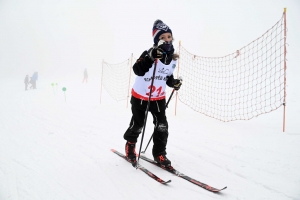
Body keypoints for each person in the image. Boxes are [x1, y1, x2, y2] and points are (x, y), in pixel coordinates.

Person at [123, 19, 182, 167]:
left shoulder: (172, 58)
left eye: (169, 37)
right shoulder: (149, 53)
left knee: (162, 126)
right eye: (162, 38)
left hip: (158, 98)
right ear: (157, 40)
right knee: (138, 125)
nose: (166, 40)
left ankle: (160, 154)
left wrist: (173, 83)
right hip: (140, 97)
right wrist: (150, 57)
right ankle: (130, 146)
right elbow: (138, 70)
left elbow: (166, 76)